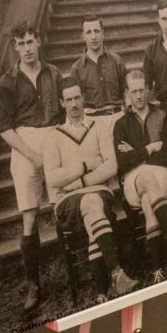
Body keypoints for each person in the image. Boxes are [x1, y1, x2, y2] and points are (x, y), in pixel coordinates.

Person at [43, 77, 139, 303]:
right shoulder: (53, 136)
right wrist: (84, 166)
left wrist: (77, 181)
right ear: (61, 102)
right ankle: (115, 275)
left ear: (84, 98)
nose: (74, 104)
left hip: (97, 193)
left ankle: (104, 289)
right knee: (92, 208)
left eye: (77, 98)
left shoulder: (100, 128)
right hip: (67, 203)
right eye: (69, 100)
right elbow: (52, 178)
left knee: (92, 204)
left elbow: (111, 166)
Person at [0, 21, 63, 311]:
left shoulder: (55, 73)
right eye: (20, 44)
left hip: (53, 136)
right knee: (30, 217)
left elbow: (62, 111)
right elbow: (4, 127)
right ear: (15, 46)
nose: (26, 49)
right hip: (23, 145)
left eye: (30, 42)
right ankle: (33, 283)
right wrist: (32, 155)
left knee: (64, 206)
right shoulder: (7, 82)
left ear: (39, 42)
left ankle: (76, 265)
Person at [113, 70, 167, 283]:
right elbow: (123, 163)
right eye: (134, 91)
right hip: (132, 181)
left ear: (148, 90)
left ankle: (157, 268)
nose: (138, 96)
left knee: (149, 198)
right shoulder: (121, 125)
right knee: (146, 181)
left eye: (141, 90)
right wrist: (149, 149)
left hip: (161, 175)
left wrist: (136, 153)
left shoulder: (161, 115)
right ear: (127, 93)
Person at [70, 14, 127, 134]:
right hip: (92, 120)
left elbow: (126, 92)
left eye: (97, 31)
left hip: (117, 117)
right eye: (89, 32)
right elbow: (75, 101)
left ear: (103, 33)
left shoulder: (117, 61)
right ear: (83, 36)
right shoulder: (77, 68)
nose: (93, 36)